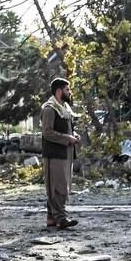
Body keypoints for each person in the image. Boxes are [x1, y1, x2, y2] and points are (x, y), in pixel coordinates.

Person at [41, 77, 81, 229]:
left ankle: (52, 218)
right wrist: (67, 138)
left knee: (63, 185)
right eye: (67, 89)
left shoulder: (63, 107)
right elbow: (47, 132)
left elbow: (65, 127)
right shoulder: (50, 109)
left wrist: (74, 135)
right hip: (55, 154)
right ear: (59, 91)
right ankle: (61, 218)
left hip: (66, 152)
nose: (70, 92)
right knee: (58, 187)